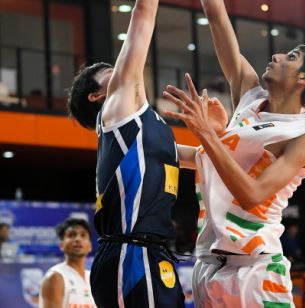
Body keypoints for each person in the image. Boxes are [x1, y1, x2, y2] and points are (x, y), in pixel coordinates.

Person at [162, 0, 305, 306]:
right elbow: (216, 17)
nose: (277, 55)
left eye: (291, 56)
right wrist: (138, 139)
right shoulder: (251, 96)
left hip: (254, 269)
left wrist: (208, 134)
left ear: (304, 79)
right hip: (207, 264)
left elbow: (252, 194)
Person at [66, 1, 185, 306]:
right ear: (97, 96)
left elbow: (201, 158)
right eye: (111, 71)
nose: (121, 69)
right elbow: (143, 14)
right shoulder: (115, 111)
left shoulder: (151, 126)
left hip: (152, 251)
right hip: (128, 252)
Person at [39, 218, 95, 308]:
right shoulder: (55, 277)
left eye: (83, 235)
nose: (77, 239)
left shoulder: (93, 278)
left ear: (90, 246)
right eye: (72, 235)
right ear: (61, 245)